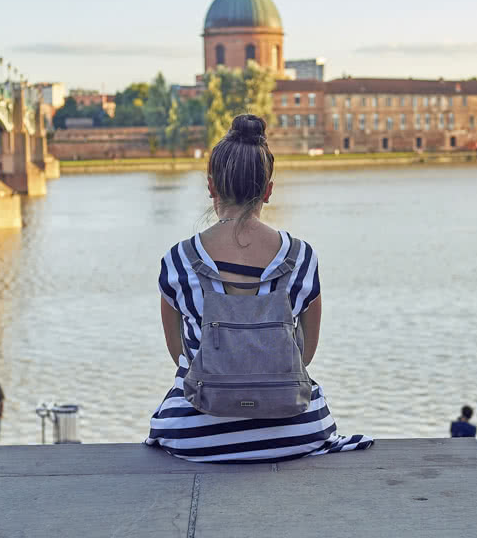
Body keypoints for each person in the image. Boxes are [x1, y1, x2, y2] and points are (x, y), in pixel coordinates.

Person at [146, 114, 373, 462]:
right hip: (296, 432)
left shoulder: (178, 260)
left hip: (195, 434)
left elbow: (180, 356)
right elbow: (304, 355)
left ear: (211, 186)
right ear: (268, 190)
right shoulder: (302, 258)